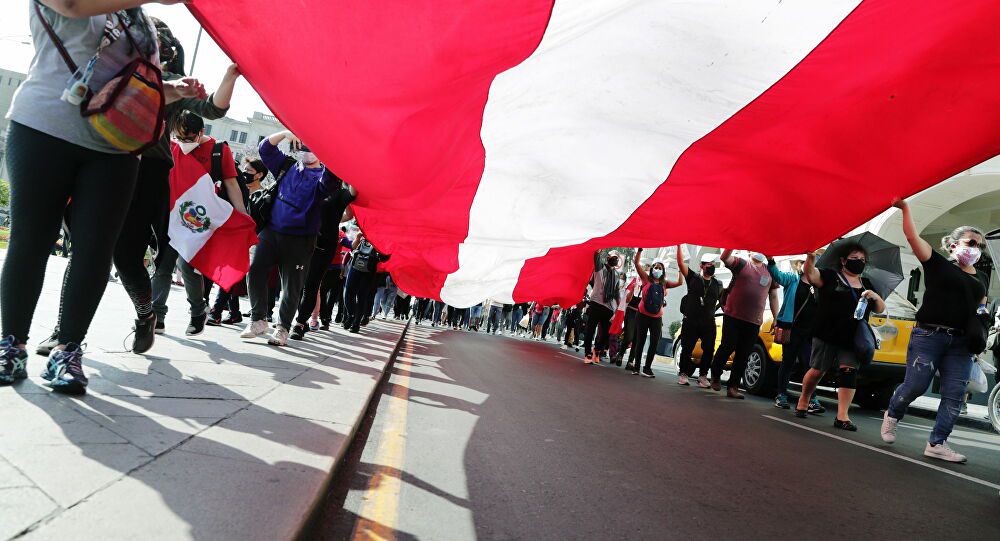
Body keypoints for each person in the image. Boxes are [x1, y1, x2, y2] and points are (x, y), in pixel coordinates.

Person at [0, 0, 207, 393]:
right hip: (44, 128)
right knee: (31, 239)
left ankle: (68, 350)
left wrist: (172, 89)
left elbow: (124, 78)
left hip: (116, 147)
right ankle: (12, 346)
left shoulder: (140, 18)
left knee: (95, 249)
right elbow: (72, 6)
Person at [881, 201, 987, 462]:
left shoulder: (982, 279)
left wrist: (980, 336)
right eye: (971, 242)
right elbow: (911, 236)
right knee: (916, 385)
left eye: (980, 245)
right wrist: (905, 209)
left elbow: (981, 310)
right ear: (953, 245)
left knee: (954, 395)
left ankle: (937, 443)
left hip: (961, 343)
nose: (976, 248)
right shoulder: (937, 263)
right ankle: (893, 412)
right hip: (929, 335)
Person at [240, 131, 336, 345]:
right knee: (254, 268)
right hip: (271, 232)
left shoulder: (322, 178)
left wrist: (328, 151)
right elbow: (265, 148)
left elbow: (332, 180)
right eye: (304, 147)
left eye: (312, 149)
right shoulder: (287, 166)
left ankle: (282, 328)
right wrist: (287, 133)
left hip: (300, 239)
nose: (307, 152)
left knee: (291, 286)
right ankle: (258, 319)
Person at [156, 110, 248, 337]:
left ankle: (198, 310)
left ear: (201, 133)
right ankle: (156, 317)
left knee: (188, 266)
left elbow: (232, 185)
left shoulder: (218, 150)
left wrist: (243, 217)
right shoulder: (171, 145)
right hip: (172, 215)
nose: (184, 143)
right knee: (163, 265)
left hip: (199, 221)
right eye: (179, 137)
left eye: (189, 139)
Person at [794, 245, 884, 430]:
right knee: (818, 370)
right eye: (854, 257)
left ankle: (842, 416)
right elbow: (811, 275)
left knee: (849, 372)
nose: (858, 261)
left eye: (862, 259)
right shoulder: (830, 276)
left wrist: (874, 296)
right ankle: (804, 399)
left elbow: (880, 309)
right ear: (843, 260)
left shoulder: (867, 284)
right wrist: (810, 257)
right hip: (826, 332)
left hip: (852, 337)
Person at [289, 177, 356, 340]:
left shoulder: (340, 193)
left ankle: (300, 323)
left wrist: (354, 171)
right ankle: (287, 319)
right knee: (295, 282)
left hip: (324, 246)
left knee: (311, 285)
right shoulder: (312, 185)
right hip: (302, 241)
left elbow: (350, 208)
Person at [709, 250, 780, 398]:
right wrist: (734, 242)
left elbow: (773, 295)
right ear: (749, 250)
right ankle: (715, 375)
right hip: (733, 315)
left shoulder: (770, 271)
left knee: (743, 354)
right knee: (727, 346)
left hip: (754, 321)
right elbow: (724, 258)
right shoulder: (741, 263)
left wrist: (776, 317)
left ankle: (733, 386)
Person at [767, 256, 823, 413]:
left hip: (810, 332)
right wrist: (770, 261)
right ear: (804, 266)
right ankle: (781, 395)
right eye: (810, 264)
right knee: (788, 362)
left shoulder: (819, 285)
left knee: (810, 365)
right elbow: (777, 276)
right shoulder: (793, 279)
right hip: (792, 329)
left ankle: (811, 399)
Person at [628, 248, 683, 377]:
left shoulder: (665, 283)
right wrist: (640, 251)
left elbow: (680, 282)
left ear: (663, 271)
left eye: (660, 268)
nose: (657, 269)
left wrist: (680, 268)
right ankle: (636, 367)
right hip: (642, 315)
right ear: (652, 269)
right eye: (655, 267)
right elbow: (636, 264)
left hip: (656, 317)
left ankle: (647, 368)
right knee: (640, 341)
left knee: (654, 342)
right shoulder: (646, 279)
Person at [676, 252, 723, 388]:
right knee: (687, 348)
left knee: (709, 349)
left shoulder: (717, 284)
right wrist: (679, 246)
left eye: (713, 265)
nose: (712, 267)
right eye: (709, 265)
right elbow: (680, 263)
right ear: (702, 266)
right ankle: (683, 374)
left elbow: (722, 300)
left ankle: (703, 376)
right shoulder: (693, 278)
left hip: (708, 323)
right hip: (691, 321)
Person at [341, 234, 390, 333]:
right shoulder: (362, 231)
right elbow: (352, 247)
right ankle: (351, 315)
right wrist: (358, 238)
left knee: (362, 297)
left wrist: (379, 248)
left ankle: (356, 324)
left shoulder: (383, 237)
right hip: (355, 267)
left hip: (369, 270)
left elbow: (385, 257)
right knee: (348, 293)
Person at [582, 250, 623, 364]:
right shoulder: (600, 268)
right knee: (590, 329)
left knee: (606, 334)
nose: (615, 260)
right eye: (613, 257)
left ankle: (597, 349)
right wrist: (598, 249)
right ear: (608, 257)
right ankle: (587, 354)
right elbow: (596, 256)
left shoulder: (616, 274)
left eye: (617, 259)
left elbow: (616, 292)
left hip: (608, 307)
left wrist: (619, 308)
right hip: (596, 303)